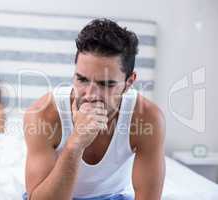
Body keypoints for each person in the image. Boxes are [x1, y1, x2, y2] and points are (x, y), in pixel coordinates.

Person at [23, 18, 165, 200]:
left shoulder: (148, 118)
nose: (90, 95)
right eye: (82, 80)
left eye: (106, 84)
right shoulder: (43, 115)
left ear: (129, 82)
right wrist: (76, 143)